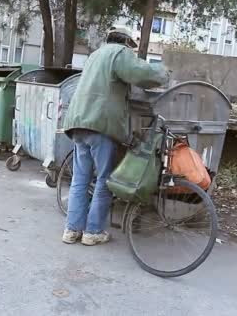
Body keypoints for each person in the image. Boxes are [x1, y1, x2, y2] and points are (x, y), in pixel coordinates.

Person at [61, 27, 169, 246]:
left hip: (78, 123)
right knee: (104, 180)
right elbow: (142, 74)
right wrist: (164, 73)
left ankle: (71, 230)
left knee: (80, 180)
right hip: (100, 124)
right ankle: (92, 232)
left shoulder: (95, 55)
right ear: (126, 42)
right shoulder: (120, 53)